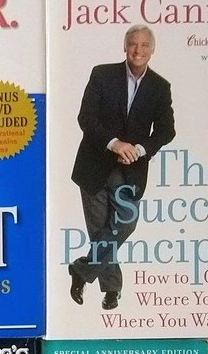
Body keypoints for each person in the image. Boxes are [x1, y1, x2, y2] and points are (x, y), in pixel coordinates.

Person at [68, 23, 175, 310]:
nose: (138, 50)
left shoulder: (160, 87)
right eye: (133, 44)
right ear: (125, 46)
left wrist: (138, 150)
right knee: (101, 231)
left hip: (131, 170)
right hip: (94, 166)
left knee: (124, 223)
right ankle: (112, 290)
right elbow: (86, 117)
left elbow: (166, 131)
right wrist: (114, 143)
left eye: (144, 45)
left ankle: (81, 270)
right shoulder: (102, 75)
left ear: (152, 50)